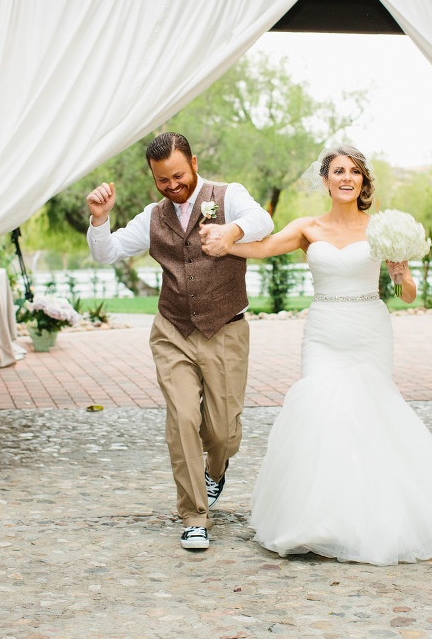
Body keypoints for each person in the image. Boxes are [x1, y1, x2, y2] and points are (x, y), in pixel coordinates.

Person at [209, 145, 432, 565]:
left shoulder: (383, 229)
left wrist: (401, 274)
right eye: (338, 171)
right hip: (323, 332)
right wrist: (224, 243)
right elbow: (264, 248)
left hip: (368, 330)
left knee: (370, 415)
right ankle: (319, 521)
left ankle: (376, 520)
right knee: (323, 413)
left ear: (363, 182)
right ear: (325, 180)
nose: (346, 178)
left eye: (354, 172)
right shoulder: (308, 227)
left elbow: (408, 295)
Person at [86, 132, 273, 551]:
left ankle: (216, 469)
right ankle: (194, 515)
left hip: (225, 327)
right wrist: (100, 219)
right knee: (184, 417)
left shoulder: (227, 195)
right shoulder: (153, 216)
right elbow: (107, 252)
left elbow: (264, 221)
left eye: (178, 176)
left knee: (223, 434)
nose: (172, 186)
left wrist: (232, 231)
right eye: (162, 180)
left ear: (192, 161)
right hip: (173, 331)